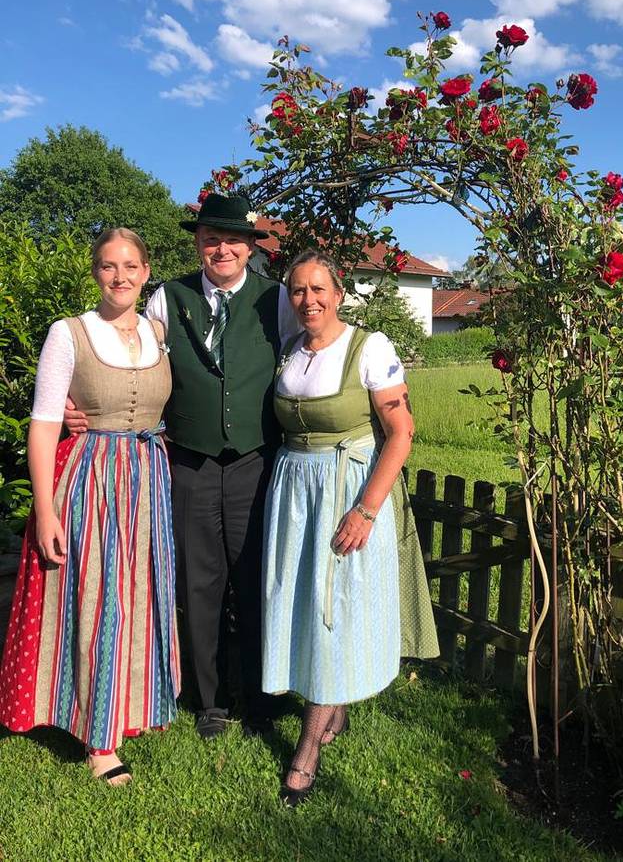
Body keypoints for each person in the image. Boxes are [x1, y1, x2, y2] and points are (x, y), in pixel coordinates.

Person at [65, 193, 298, 739]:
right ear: (198, 244)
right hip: (187, 460)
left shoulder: (278, 300)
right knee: (199, 584)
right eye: (211, 238)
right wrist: (78, 404)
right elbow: (127, 360)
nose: (222, 248)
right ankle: (210, 700)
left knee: (257, 579)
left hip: (254, 461)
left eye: (232, 239)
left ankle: (261, 698)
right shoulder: (168, 298)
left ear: (249, 247)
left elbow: (313, 352)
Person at [0, 228, 180, 784]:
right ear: (96, 272)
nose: (120, 276)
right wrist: (47, 511)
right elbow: (44, 424)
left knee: (139, 596)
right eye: (108, 266)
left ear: (147, 272)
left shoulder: (158, 330)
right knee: (97, 600)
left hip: (148, 479)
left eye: (130, 266)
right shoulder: (69, 333)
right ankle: (98, 740)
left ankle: (134, 704)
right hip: (89, 480)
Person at [262, 249, 439, 806]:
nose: (309, 300)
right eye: (298, 290)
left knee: (330, 613)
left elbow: (402, 432)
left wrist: (365, 509)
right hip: (294, 493)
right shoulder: (290, 350)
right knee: (302, 602)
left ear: (339, 293)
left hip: (345, 493)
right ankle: (332, 708)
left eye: (319, 289)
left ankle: (306, 752)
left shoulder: (370, 347)